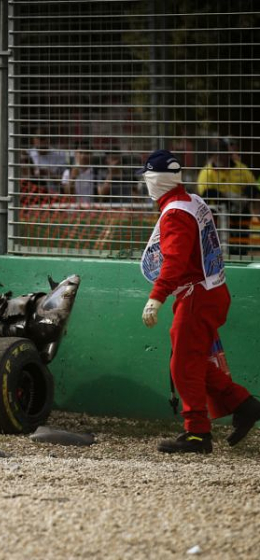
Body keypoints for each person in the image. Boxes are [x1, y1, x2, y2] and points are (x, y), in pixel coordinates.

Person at [138, 149, 260, 454]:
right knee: (191, 361)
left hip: (197, 294)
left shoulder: (176, 212)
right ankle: (244, 404)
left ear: (156, 180)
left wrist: (156, 297)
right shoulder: (192, 201)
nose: (146, 184)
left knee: (182, 363)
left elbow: (175, 261)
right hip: (211, 290)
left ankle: (197, 434)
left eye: (147, 178)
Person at [196, 138, 257, 256]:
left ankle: (240, 255)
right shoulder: (207, 172)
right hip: (218, 212)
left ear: (228, 155)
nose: (219, 158)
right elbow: (206, 194)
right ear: (213, 156)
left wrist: (245, 198)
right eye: (216, 155)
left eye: (222, 154)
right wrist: (227, 199)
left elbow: (253, 188)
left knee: (240, 244)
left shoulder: (241, 168)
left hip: (240, 211)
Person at [27, 127, 69, 193]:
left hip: (54, 194)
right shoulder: (28, 155)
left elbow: (65, 181)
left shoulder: (59, 155)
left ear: (48, 139)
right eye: (38, 138)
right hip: (34, 194)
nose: (40, 142)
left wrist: (49, 174)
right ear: (33, 140)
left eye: (42, 139)